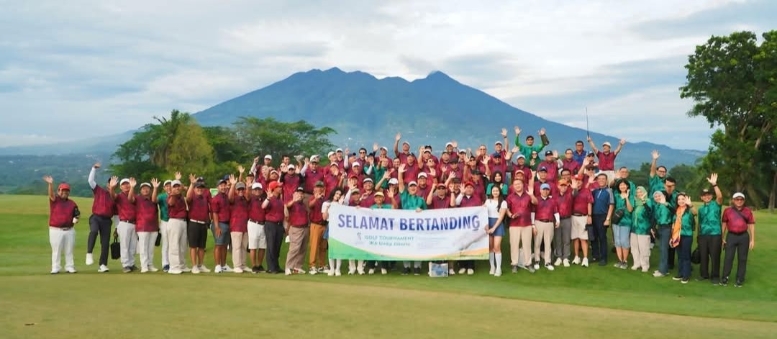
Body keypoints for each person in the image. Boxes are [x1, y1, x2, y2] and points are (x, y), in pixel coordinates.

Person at [43, 176, 79, 274]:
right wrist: (50, 184)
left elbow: (76, 213)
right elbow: (51, 195)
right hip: (56, 229)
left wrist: (76, 218)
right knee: (56, 250)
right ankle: (55, 267)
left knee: (69, 250)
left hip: (69, 229)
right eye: (63, 190)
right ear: (59, 191)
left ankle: (70, 266)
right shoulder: (55, 200)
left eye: (67, 191)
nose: (65, 192)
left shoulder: (72, 203)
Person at [398, 163, 428, 275]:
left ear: (417, 187)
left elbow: (427, 215)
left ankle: (417, 267)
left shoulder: (421, 200)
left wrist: (422, 211)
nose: (413, 188)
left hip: (417, 227)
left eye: (414, 186)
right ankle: (406, 267)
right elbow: (400, 184)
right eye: (411, 186)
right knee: (406, 246)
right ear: (408, 188)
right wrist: (400, 173)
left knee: (417, 245)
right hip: (405, 226)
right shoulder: (404, 196)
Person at [721, 192, 756, 287]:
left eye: (741, 199)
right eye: (737, 199)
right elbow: (724, 224)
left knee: (742, 258)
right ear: (733, 200)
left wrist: (752, 240)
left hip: (743, 236)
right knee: (728, 257)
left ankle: (740, 279)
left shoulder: (748, 211)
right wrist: (722, 237)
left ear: (744, 201)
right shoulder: (727, 211)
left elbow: (751, 225)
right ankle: (725, 277)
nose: (739, 201)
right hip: (731, 236)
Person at [85, 163, 115, 273]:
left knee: (105, 242)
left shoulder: (115, 197)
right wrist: (93, 169)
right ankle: (89, 253)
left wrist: (117, 228)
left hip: (107, 221)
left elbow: (116, 214)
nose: (111, 185)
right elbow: (90, 181)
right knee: (93, 231)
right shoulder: (99, 191)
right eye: (110, 182)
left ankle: (103, 264)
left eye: (114, 183)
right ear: (107, 184)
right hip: (96, 217)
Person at [506, 177, 538, 273]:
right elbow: (506, 209)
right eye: (515, 184)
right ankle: (514, 264)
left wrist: (532, 195)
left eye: (519, 184)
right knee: (514, 245)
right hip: (514, 224)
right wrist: (511, 215)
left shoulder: (528, 195)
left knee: (527, 245)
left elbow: (536, 202)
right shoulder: (510, 197)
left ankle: (528, 263)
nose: (517, 186)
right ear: (513, 186)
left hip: (527, 224)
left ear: (523, 185)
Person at [697, 174, 723, 284]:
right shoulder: (701, 209)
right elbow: (700, 222)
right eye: (704, 195)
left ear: (711, 196)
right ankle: (704, 274)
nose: (706, 196)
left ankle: (715, 276)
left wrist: (714, 185)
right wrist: (698, 236)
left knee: (715, 255)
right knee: (703, 255)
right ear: (701, 197)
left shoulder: (716, 204)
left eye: (708, 195)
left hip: (715, 234)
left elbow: (720, 197)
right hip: (703, 235)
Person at [455, 182, 483, 275]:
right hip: (462, 226)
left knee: (471, 245)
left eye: (471, 188)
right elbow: (456, 203)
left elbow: (479, 211)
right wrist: (461, 193)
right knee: (462, 245)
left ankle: (471, 266)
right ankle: (462, 266)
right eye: (467, 187)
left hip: (472, 226)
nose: (469, 189)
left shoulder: (476, 199)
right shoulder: (461, 197)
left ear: (473, 190)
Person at [112, 177, 138, 273]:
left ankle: (131, 263)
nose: (126, 185)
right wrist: (111, 188)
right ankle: (125, 264)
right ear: (121, 187)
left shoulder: (134, 195)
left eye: (128, 183)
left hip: (134, 223)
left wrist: (132, 188)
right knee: (125, 245)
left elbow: (131, 199)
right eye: (124, 184)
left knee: (132, 246)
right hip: (124, 223)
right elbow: (112, 196)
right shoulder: (119, 196)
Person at [185, 175, 211, 274]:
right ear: (194, 189)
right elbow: (187, 197)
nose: (200, 190)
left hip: (203, 224)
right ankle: (194, 266)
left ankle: (200, 265)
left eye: (201, 188)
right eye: (198, 188)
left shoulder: (204, 198)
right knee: (193, 246)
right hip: (193, 223)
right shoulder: (192, 197)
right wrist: (192, 184)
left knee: (201, 246)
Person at [228, 174, 252, 274]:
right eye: (239, 190)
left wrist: (248, 187)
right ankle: (236, 266)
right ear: (236, 191)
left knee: (243, 247)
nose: (241, 191)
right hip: (236, 226)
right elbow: (229, 198)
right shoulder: (233, 199)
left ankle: (243, 264)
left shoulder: (245, 199)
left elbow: (249, 196)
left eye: (242, 189)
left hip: (245, 227)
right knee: (236, 247)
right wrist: (233, 185)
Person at [670, 192, 696, 284]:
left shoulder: (689, 210)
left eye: (683, 199)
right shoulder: (677, 210)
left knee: (686, 256)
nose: (681, 201)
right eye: (679, 199)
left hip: (686, 235)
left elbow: (695, 213)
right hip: (677, 236)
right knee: (680, 256)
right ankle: (680, 273)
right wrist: (672, 237)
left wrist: (691, 205)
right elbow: (674, 224)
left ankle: (686, 275)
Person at [136, 180, 161, 273]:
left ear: (150, 190)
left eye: (147, 188)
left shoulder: (153, 198)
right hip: (142, 227)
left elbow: (155, 200)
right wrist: (131, 187)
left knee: (150, 248)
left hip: (153, 227)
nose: (145, 190)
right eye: (143, 188)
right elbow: (130, 199)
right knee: (143, 247)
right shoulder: (138, 198)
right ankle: (144, 265)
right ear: (140, 190)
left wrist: (155, 188)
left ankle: (150, 264)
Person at [533, 183, 559, 271]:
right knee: (537, 242)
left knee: (548, 243)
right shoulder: (536, 199)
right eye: (543, 189)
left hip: (549, 223)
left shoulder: (552, 200)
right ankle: (537, 260)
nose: (545, 191)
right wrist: (533, 225)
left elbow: (556, 211)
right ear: (540, 190)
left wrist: (558, 220)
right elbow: (532, 213)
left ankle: (547, 262)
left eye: (547, 189)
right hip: (538, 222)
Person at [590, 173, 614, 266]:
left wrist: (608, 219)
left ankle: (604, 258)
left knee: (602, 238)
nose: (601, 180)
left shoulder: (609, 191)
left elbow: (611, 205)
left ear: (606, 180)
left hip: (603, 216)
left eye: (603, 179)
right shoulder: (595, 191)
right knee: (593, 237)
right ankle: (595, 256)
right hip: (593, 216)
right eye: (599, 179)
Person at [367, 191, 393, 275]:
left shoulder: (387, 206)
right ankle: (371, 267)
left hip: (384, 232)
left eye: (380, 197)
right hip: (374, 232)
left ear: (383, 198)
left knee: (383, 250)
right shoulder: (371, 207)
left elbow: (395, 208)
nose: (379, 198)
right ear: (374, 199)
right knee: (372, 249)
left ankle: (384, 267)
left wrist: (392, 197)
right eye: (377, 197)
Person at [285, 187, 310, 275]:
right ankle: (288, 267)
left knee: (303, 249)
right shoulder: (292, 203)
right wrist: (294, 200)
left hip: (305, 228)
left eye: (302, 193)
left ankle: (297, 267)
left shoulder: (303, 204)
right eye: (298, 192)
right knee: (294, 249)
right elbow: (288, 206)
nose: (300, 194)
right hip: (296, 228)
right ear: (295, 194)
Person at [263, 181, 286, 274]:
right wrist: (268, 198)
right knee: (271, 246)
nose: (280, 188)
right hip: (271, 224)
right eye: (278, 187)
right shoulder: (270, 199)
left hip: (279, 225)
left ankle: (276, 266)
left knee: (277, 246)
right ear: (274, 189)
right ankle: (271, 267)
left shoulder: (280, 200)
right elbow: (263, 206)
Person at [166, 179, 188, 275]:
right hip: (174, 221)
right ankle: (174, 267)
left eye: (178, 186)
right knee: (174, 245)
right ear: (171, 188)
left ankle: (181, 265)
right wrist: (173, 194)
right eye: (174, 186)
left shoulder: (182, 197)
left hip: (183, 221)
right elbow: (170, 203)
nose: (177, 188)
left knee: (183, 246)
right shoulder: (172, 196)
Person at [570, 174, 593, 267]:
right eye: (576, 180)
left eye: (579, 180)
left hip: (583, 216)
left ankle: (585, 258)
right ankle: (576, 257)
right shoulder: (570, 191)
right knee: (575, 238)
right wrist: (574, 188)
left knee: (583, 238)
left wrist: (589, 215)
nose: (578, 182)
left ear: (582, 182)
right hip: (573, 216)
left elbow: (589, 203)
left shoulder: (586, 191)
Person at [484, 186, 507, 276]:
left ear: (499, 192)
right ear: (491, 192)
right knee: (490, 247)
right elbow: (481, 211)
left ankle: (498, 268)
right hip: (488, 224)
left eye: (497, 190)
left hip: (498, 224)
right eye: (494, 191)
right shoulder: (487, 201)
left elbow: (501, 217)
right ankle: (492, 267)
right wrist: (486, 226)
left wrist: (493, 228)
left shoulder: (503, 202)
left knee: (497, 247)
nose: (495, 192)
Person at [210, 176, 231, 273]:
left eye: (224, 185)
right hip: (219, 224)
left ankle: (223, 265)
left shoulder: (226, 197)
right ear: (217, 187)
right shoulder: (215, 199)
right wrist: (217, 227)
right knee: (218, 245)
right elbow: (215, 213)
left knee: (224, 245)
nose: (223, 187)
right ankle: (217, 265)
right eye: (221, 186)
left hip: (227, 224)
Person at [612, 179, 635, 269]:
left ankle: (625, 261)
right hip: (617, 221)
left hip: (626, 221)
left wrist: (626, 198)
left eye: (624, 185)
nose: (622, 186)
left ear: (627, 186)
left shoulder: (631, 197)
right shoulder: (616, 195)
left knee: (624, 241)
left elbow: (630, 209)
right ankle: (620, 260)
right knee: (617, 241)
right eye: (620, 185)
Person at [322, 188, 345, 276]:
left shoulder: (342, 204)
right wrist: (328, 208)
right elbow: (324, 218)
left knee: (339, 248)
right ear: (333, 193)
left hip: (339, 227)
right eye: (337, 193)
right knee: (331, 248)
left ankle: (337, 269)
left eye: (340, 194)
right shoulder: (326, 203)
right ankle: (332, 269)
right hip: (330, 225)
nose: (338, 195)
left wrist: (340, 204)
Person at [629, 186, 652, 272]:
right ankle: (636, 263)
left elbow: (649, 212)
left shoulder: (648, 201)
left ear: (644, 192)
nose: (639, 194)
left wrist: (643, 201)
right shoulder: (635, 202)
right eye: (637, 192)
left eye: (641, 192)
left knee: (644, 247)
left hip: (643, 228)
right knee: (634, 247)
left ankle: (645, 264)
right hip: (634, 228)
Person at [308, 181, 328, 274]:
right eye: (317, 187)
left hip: (325, 225)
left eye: (321, 187)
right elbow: (310, 205)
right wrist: (316, 198)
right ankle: (312, 266)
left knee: (323, 247)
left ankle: (322, 265)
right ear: (314, 189)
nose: (319, 188)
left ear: (323, 188)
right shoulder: (312, 198)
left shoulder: (326, 199)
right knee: (314, 246)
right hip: (315, 225)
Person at [652, 191, 673, 278]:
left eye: (659, 196)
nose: (657, 198)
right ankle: (664, 268)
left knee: (663, 250)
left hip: (666, 228)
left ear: (663, 196)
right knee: (662, 249)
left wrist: (665, 203)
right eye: (655, 196)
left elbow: (673, 211)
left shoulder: (666, 204)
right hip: (660, 228)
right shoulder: (657, 206)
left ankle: (662, 271)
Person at [552, 179, 573, 267]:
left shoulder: (569, 195)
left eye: (565, 186)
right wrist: (557, 220)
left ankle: (566, 257)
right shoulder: (555, 196)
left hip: (567, 219)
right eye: (561, 185)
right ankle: (559, 256)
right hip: (557, 219)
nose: (563, 187)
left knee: (566, 239)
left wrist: (574, 187)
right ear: (558, 186)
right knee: (558, 239)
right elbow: (555, 208)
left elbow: (574, 193)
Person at [157, 180, 172, 272]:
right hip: (165, 221)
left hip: (175, 221)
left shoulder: (177, 195)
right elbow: (154, 201)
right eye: (166, 186)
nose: (168, 187)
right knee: (166, 243)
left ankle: (173, 262)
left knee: (173, 243)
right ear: (164, 188)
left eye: (170, 185)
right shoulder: (162, 196)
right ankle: (165, 263)